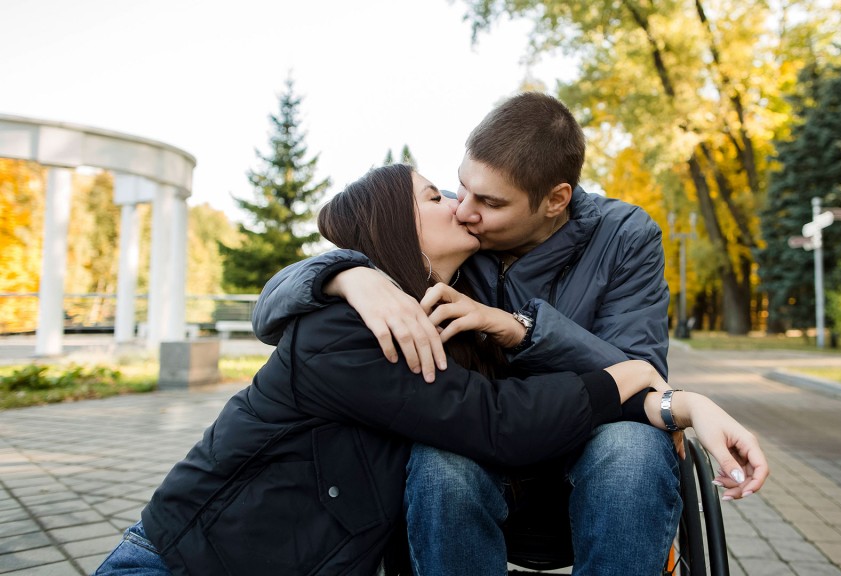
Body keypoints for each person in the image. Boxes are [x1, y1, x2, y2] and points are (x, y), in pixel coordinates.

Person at [93, 164, 759, 576]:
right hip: (183, 566)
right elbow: (499, 424)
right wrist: (631, 375)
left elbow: (514, 397)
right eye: (436, 195)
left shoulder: (447, 309)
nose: (461, 207)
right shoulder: (347, 329)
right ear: (395, 226)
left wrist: (685, 405)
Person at [251, 93, 769, 575]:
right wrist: (345, 274)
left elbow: (639, 372)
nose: (464, 208)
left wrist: (522, 331)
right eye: (461, 186)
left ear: (555, 200)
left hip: (595, 446)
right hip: (481, 441)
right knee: (439, 464)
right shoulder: (456, 228)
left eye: (492, 203)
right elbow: (285, 298)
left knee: (631, 453)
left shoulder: (626, 236)